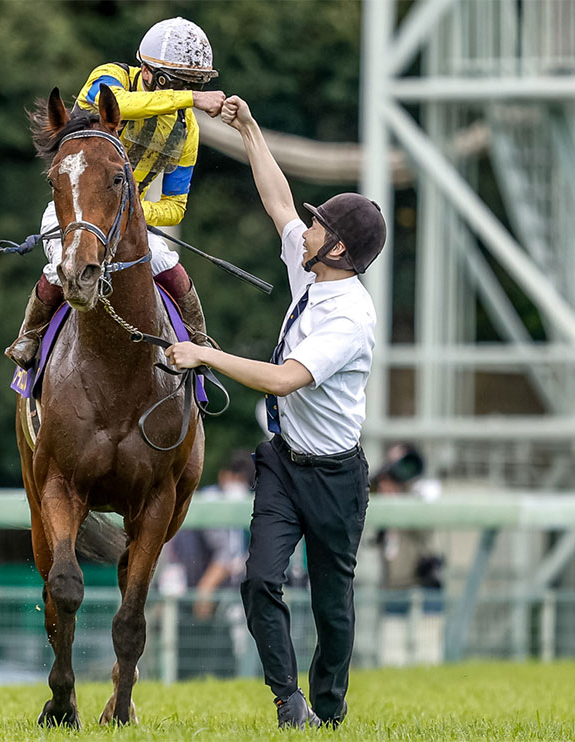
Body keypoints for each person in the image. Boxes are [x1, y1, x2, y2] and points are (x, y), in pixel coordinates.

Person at [164, 95, 386, 729]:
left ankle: (330, 710)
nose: (304, 229)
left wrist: (206, 356)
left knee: (332, 610)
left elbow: (287, 379)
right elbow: (279, 201)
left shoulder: (351, 317)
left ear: (337, 248)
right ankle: (289, 702)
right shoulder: (314, 272)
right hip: (285, 466)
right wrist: (251, 128)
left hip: (336, 479)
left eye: (319, 227)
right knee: (260, 580)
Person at [5, 16, 228, 369]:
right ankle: (29, 335)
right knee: (59, 266)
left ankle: (200, 342)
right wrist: (194, 98)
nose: (184, 92)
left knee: (170, 266)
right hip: (74, 210)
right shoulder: (109, 77)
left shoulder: (187, 132)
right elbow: (123, 105)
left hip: (127, 220)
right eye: (178, 82)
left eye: (192, 83)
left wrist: (135, 210)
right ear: (148, 70)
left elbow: (175, 207)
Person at [157, 449, 252, 679]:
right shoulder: (207, 498)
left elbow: (227, 556)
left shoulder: (223, 501)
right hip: (189, 593)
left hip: (215, 600)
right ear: (223, 475)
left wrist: (205, 591)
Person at [371, 444, 446, 666]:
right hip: (395, 585)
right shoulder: (382, 492)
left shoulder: (423, 491)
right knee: (392, 653)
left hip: (425, 581)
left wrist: (401, 498)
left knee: (428, 653)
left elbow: (425, 527)